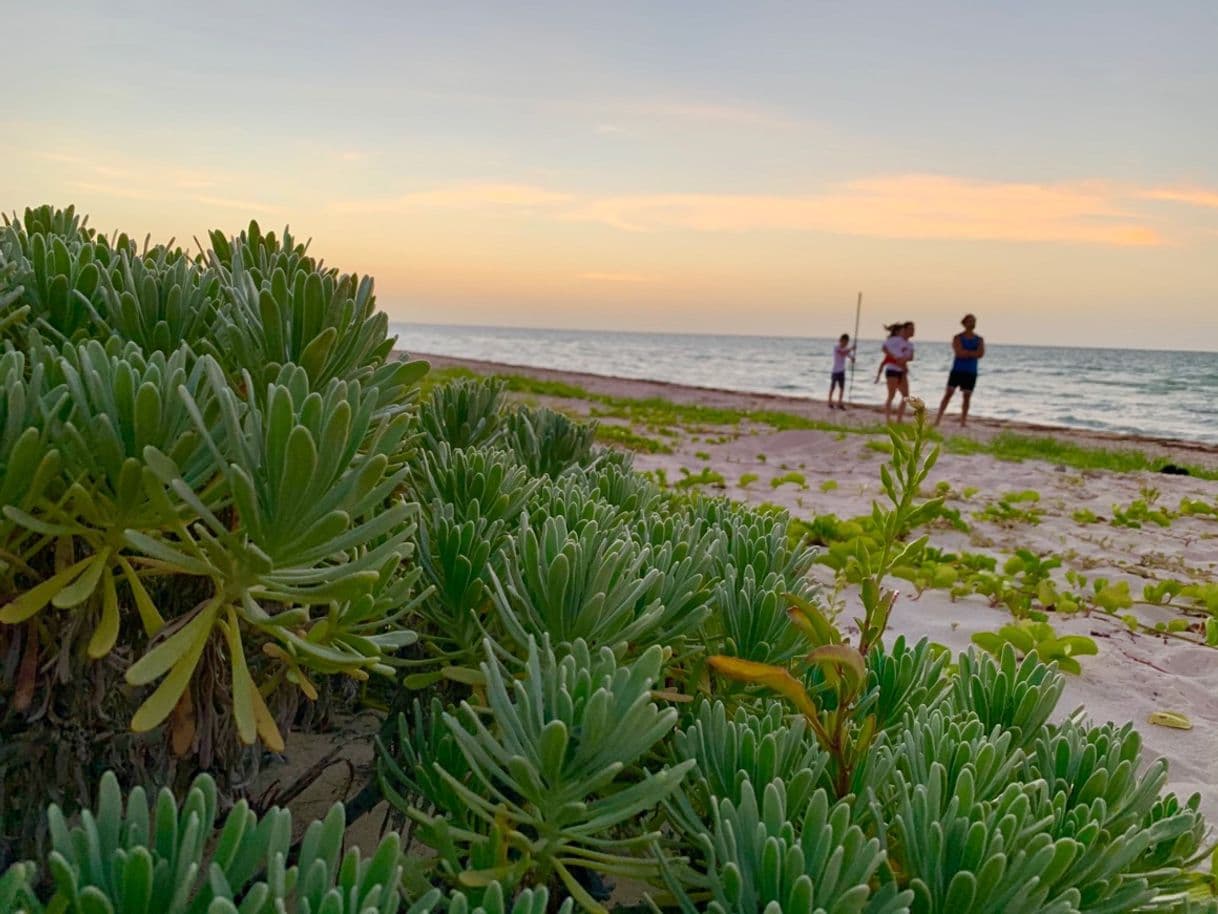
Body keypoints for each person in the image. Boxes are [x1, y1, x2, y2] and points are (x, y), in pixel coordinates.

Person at [935, 313, 985, 426]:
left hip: (971, 372)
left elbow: (981, 354)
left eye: (974, 321)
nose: (972, 323)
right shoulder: (958, 337)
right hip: (957, 370)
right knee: (948, 394)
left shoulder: (979, 339)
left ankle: (963, 421)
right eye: (970, 321)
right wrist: (972, 353)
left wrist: (967, 352)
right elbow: (959, 353)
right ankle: (938, 419)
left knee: (967, 397)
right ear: (964, 323)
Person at [878, 321, 915, 422]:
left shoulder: (910, 344)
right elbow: (884, 348)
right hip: (892, 370)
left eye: (913, 328)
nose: (913, 330)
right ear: (905, 330)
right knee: (891, 395)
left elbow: (911, 357)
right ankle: (888, 419)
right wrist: (895, 358)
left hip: (902, 371)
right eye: (911, 328)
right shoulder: (896, 340)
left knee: (906, 396)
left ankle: (899, 420)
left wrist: (903, 360)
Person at [828, 333, 855, 410]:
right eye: (845, 341)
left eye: (847, 342)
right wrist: (851, 349)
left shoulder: (846, 349)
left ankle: (839, 403)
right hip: (835, 371)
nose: (846, 343)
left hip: (842, 371)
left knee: (842, 388)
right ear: (841, 340)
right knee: (832, 387)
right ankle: (829, 402)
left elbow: (848, 355)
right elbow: (842, 353)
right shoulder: (836, 347)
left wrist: (852, 358)